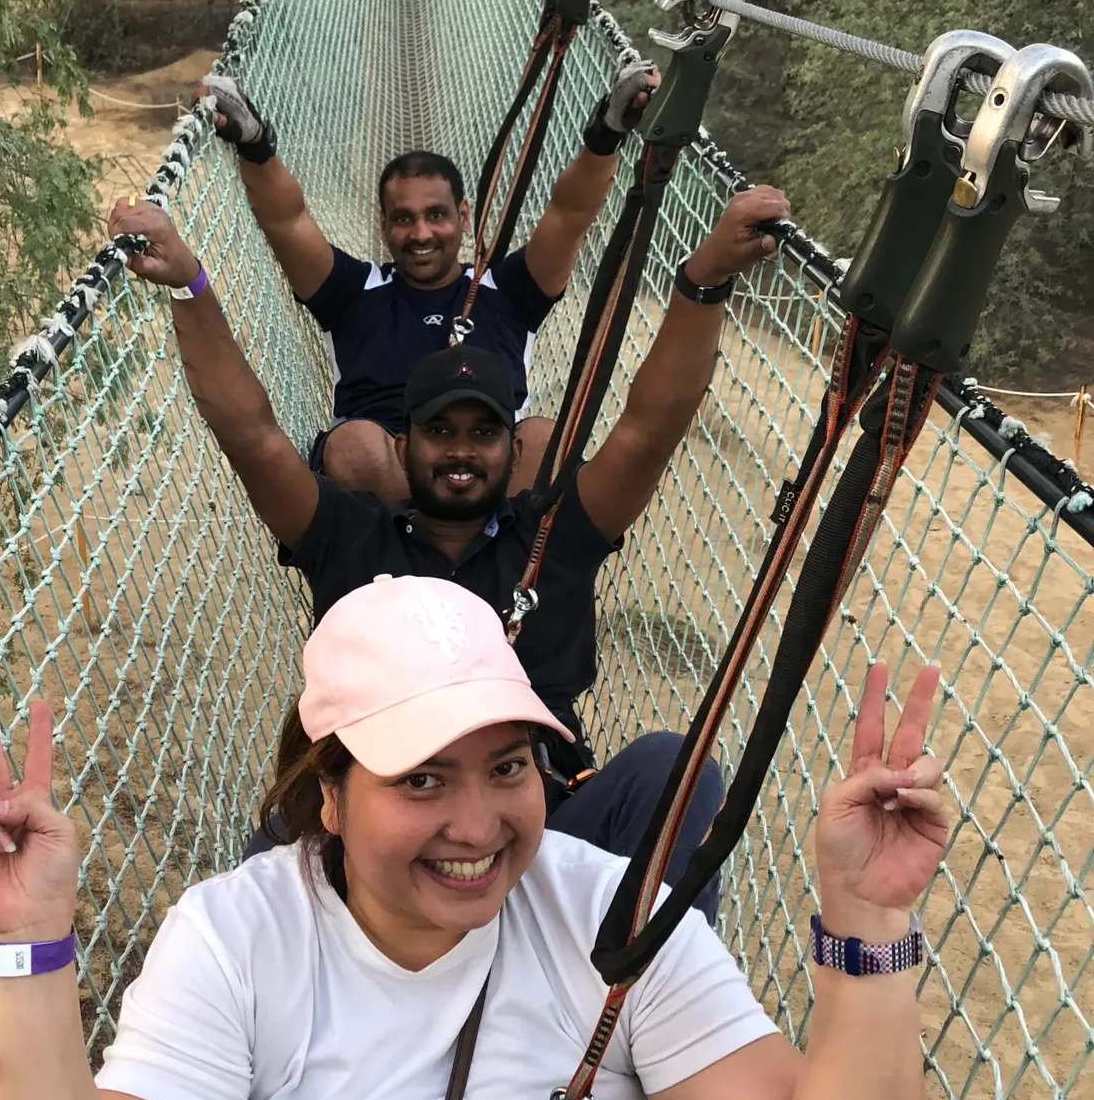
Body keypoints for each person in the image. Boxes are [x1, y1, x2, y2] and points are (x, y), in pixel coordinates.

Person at [0, 577, 947, 1100]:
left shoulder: (614, 918)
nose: (478, 824)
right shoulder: (236, 940)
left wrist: (867, 922)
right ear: (328, 796)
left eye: (506, 766)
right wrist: (27, 947)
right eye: (423, 779)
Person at [105, 185, 788, 816]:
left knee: (677, 769)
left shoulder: (556, 535)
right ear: (403, 449)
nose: (461, 450)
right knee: (283, 836)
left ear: (514, 450)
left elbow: (647, 431)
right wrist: (191, 286)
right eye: (439, 432)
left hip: (540, 815)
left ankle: (625, 950)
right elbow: (251, 436)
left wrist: (704, 283)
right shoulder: (351, 537)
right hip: (387, 819)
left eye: (483, 433)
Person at [161, 61, 682, 503]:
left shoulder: (510, 290)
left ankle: (517, 572)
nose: (421, 233)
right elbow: (287, 221)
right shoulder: (352, 293)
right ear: (383, 225)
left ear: (463, 215)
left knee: (543, 439)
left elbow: (568, 214)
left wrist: (607, 133)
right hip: (386, 503)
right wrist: (255, 145)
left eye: (436, 215)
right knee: (355, 444)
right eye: (403, 219)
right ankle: (397, 576)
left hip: (489, 485)